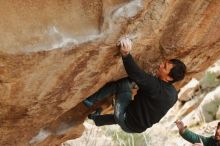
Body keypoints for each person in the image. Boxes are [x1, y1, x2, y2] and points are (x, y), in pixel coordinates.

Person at [83, 37, 186, 133]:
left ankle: (90, 100)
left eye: (164, 67)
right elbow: (151, 99)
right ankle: (96, 119)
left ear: (169, 78)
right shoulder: (173, 95)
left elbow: (135, 73)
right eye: (164, 63)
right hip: (137, 127)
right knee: (128, 115)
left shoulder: (155, 86)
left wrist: (126, 54)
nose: (160, 65)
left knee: (123, 83)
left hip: (126, 118)